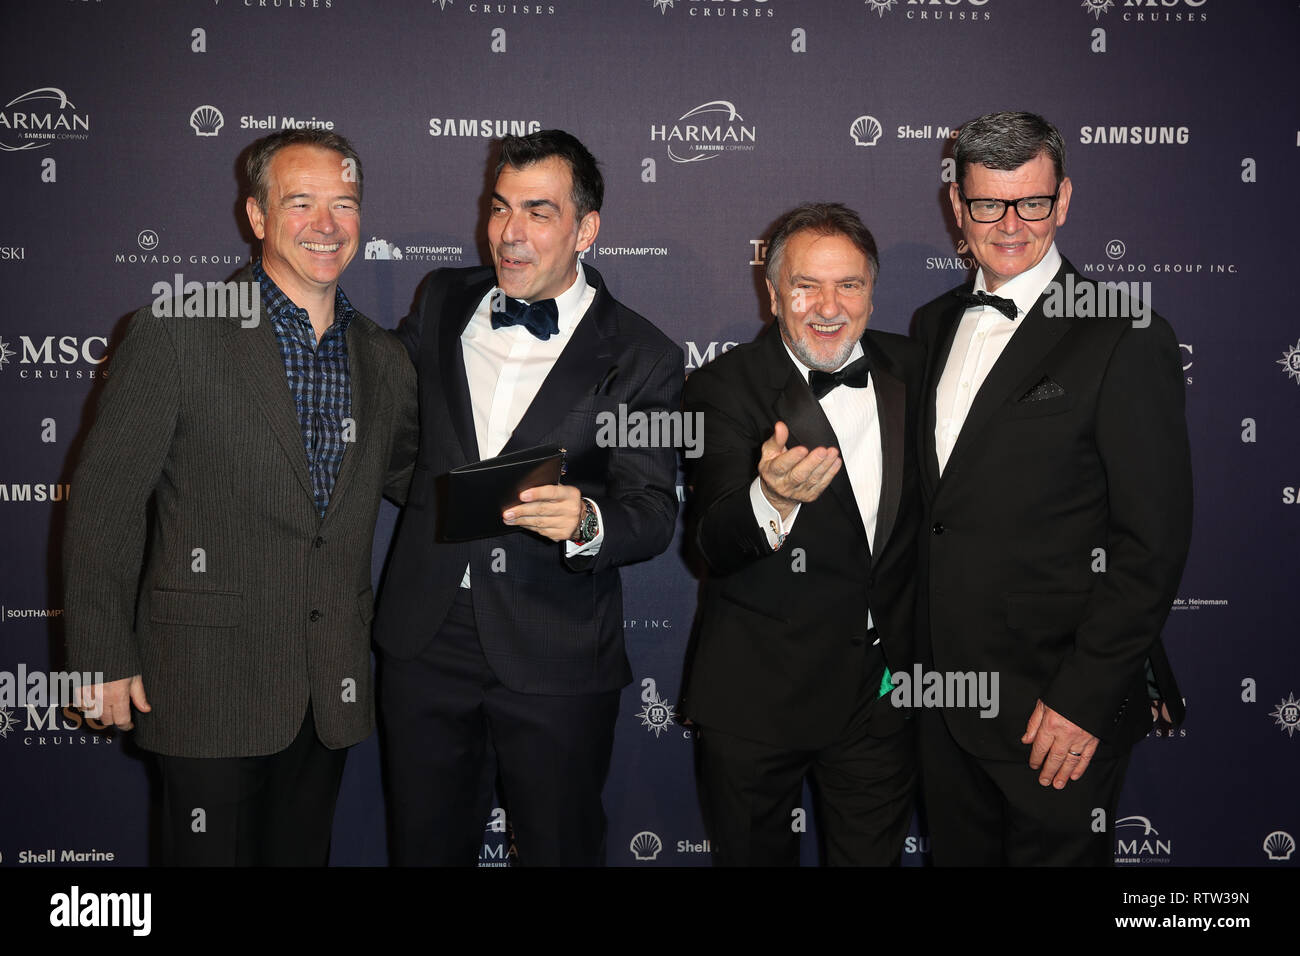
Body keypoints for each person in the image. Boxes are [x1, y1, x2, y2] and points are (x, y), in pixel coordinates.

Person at [63, 128, 418, 865]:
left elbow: (418, 483)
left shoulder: (385, 359)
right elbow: (104, 503)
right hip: (203, 687)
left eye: (343, 204)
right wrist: (100, 658)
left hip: (328, 686)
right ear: (256, 216)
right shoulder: (175, 331)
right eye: (301, 203)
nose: (327, 224)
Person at [375, 129, 682, 866]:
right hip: (426, 639)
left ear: (586, 229)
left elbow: (651, 512)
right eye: (500, 207)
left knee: (560, 849)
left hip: (556, 649)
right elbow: (396, 437)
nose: (510, 235)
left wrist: (586, 521)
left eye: (539, 213)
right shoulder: (444, 299)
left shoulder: (643, 354)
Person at [913, 110, 1191, 866]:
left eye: (1031, 202)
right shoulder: (932, 324)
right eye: (988, 204)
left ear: (1063, 200)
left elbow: (1151, 545)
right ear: (956, 206)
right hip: (943, 707)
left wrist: (1083, 697)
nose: (1009, 225)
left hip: (1054, 712)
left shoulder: (1124, 333)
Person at [682, 203, 923, 866]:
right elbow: (711, 541)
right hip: (760, 697)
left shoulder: (916, 370)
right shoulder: (721, 388)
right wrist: (772, 498)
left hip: (883, 697)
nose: (828, 306)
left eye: (849, 285)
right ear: (772, 292)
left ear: (873, 291)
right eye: (805, 285)